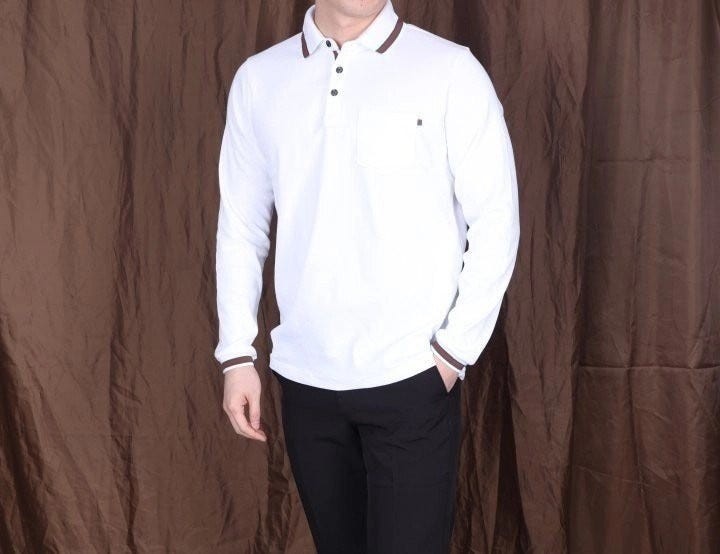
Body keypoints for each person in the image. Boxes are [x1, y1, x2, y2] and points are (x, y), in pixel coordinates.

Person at [214, 0, 520, 551]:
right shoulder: (260, 81)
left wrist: (452, 354)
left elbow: (498, 219)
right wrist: (237, 354)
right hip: (306, 381)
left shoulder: (450, 70)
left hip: (411, 377)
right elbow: (241, 225)